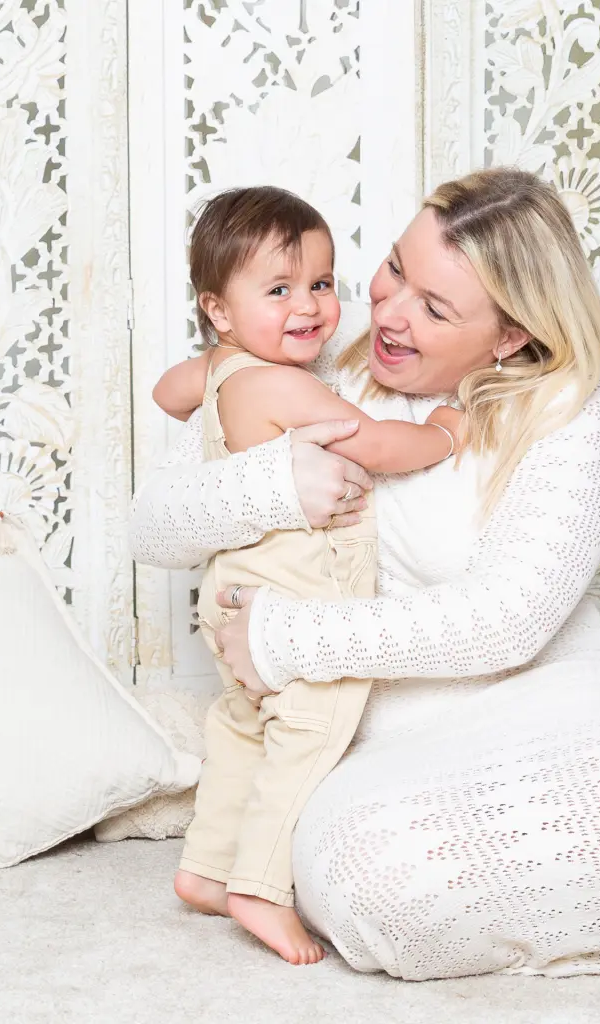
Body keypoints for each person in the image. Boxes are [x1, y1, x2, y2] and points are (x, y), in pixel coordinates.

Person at [131, 167, 600, 981]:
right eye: (397, 269)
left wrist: (281, 635)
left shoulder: (559, 404)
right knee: (379, 892)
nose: (388, 311)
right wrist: (277, 483)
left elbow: (506, 618)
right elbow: (150, 524)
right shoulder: (307, 365)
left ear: (508, 335)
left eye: (434, 308)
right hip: (374, 733)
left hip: (552, 698)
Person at [152, 186, 463, 965]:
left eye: (322, 284)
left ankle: (205, 868)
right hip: (289, 598)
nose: (311, 309)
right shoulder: (286, 386)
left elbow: (167, 393)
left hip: (231, 591)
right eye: (280, 290)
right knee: (307, 731)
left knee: (241, 730)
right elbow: (382, 447)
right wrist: (448, 431)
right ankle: (258, 885)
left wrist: (209, 367)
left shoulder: (221, 370)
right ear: (218, 308)